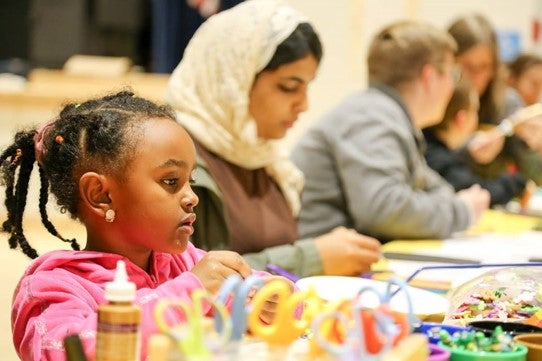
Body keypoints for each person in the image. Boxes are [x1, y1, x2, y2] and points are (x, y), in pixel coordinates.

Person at [2, 91, 284, 361]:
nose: (192, 197)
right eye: (171, 181)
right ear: (101, 194)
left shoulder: (184, 263)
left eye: (191, 181)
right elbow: (69, 353)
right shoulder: (52, 287)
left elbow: (259, 311)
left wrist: (270, 302)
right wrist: (189, 292)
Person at [165, 0, 381, 278]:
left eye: (306, 87)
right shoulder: (176, 158)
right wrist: (311, 258)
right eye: (288, 87)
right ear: (233, 80)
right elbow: (190, 277)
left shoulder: (262, 154)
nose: (303, 104)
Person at [291, 20, 490, 242]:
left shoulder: (384, 113)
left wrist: (454, 206)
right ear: (429, 77)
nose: (453, 87)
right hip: (316, 271)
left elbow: (431, 188)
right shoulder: (372, 117)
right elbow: (383, 209)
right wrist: (461, 211)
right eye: (452, 74)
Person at [447, 14, 542, 184]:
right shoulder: (436, 101)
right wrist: (468, 150)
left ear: (495, 68)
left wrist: (530, 146)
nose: (475, 77)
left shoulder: (507, 103)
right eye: (467, 66)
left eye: (484, 67)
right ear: (449, 62)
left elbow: (535, 173)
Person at [423, 79, 527, 206]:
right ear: (461, 118)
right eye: (475, 110)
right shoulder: (434, 155)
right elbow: (481, 194)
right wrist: (519, 180)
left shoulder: (432, 148)